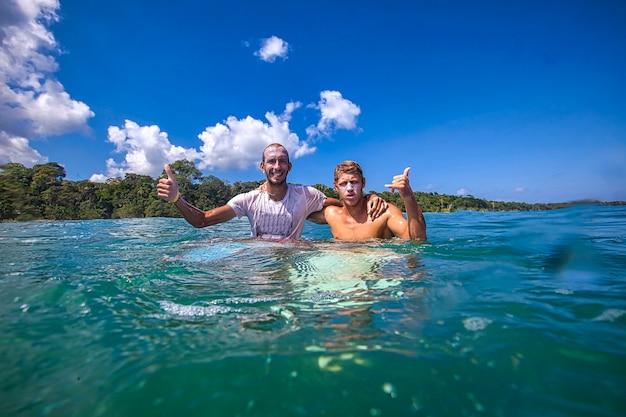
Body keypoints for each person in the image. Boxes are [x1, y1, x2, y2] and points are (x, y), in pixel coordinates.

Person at [156, 143, 387, 241]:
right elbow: (202, 220)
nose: (277, 166)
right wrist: (177, 198)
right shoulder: (248, 200)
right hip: (258, 263)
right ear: (262, 166)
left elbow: (341, 206)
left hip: (292, 262)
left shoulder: (306, 195)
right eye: (271, 161)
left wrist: (368, 198)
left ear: (289, 166)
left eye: (282, 161)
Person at [308, 160, 427, 241]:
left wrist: (408, 196)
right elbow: (300, 212)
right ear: (336, 187)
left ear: (363, 183)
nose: (349, 188)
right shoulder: (331, 214)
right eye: (343, 183)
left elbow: (417, 240)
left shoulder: (384, 212)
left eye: (354, 182)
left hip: (376, 276)